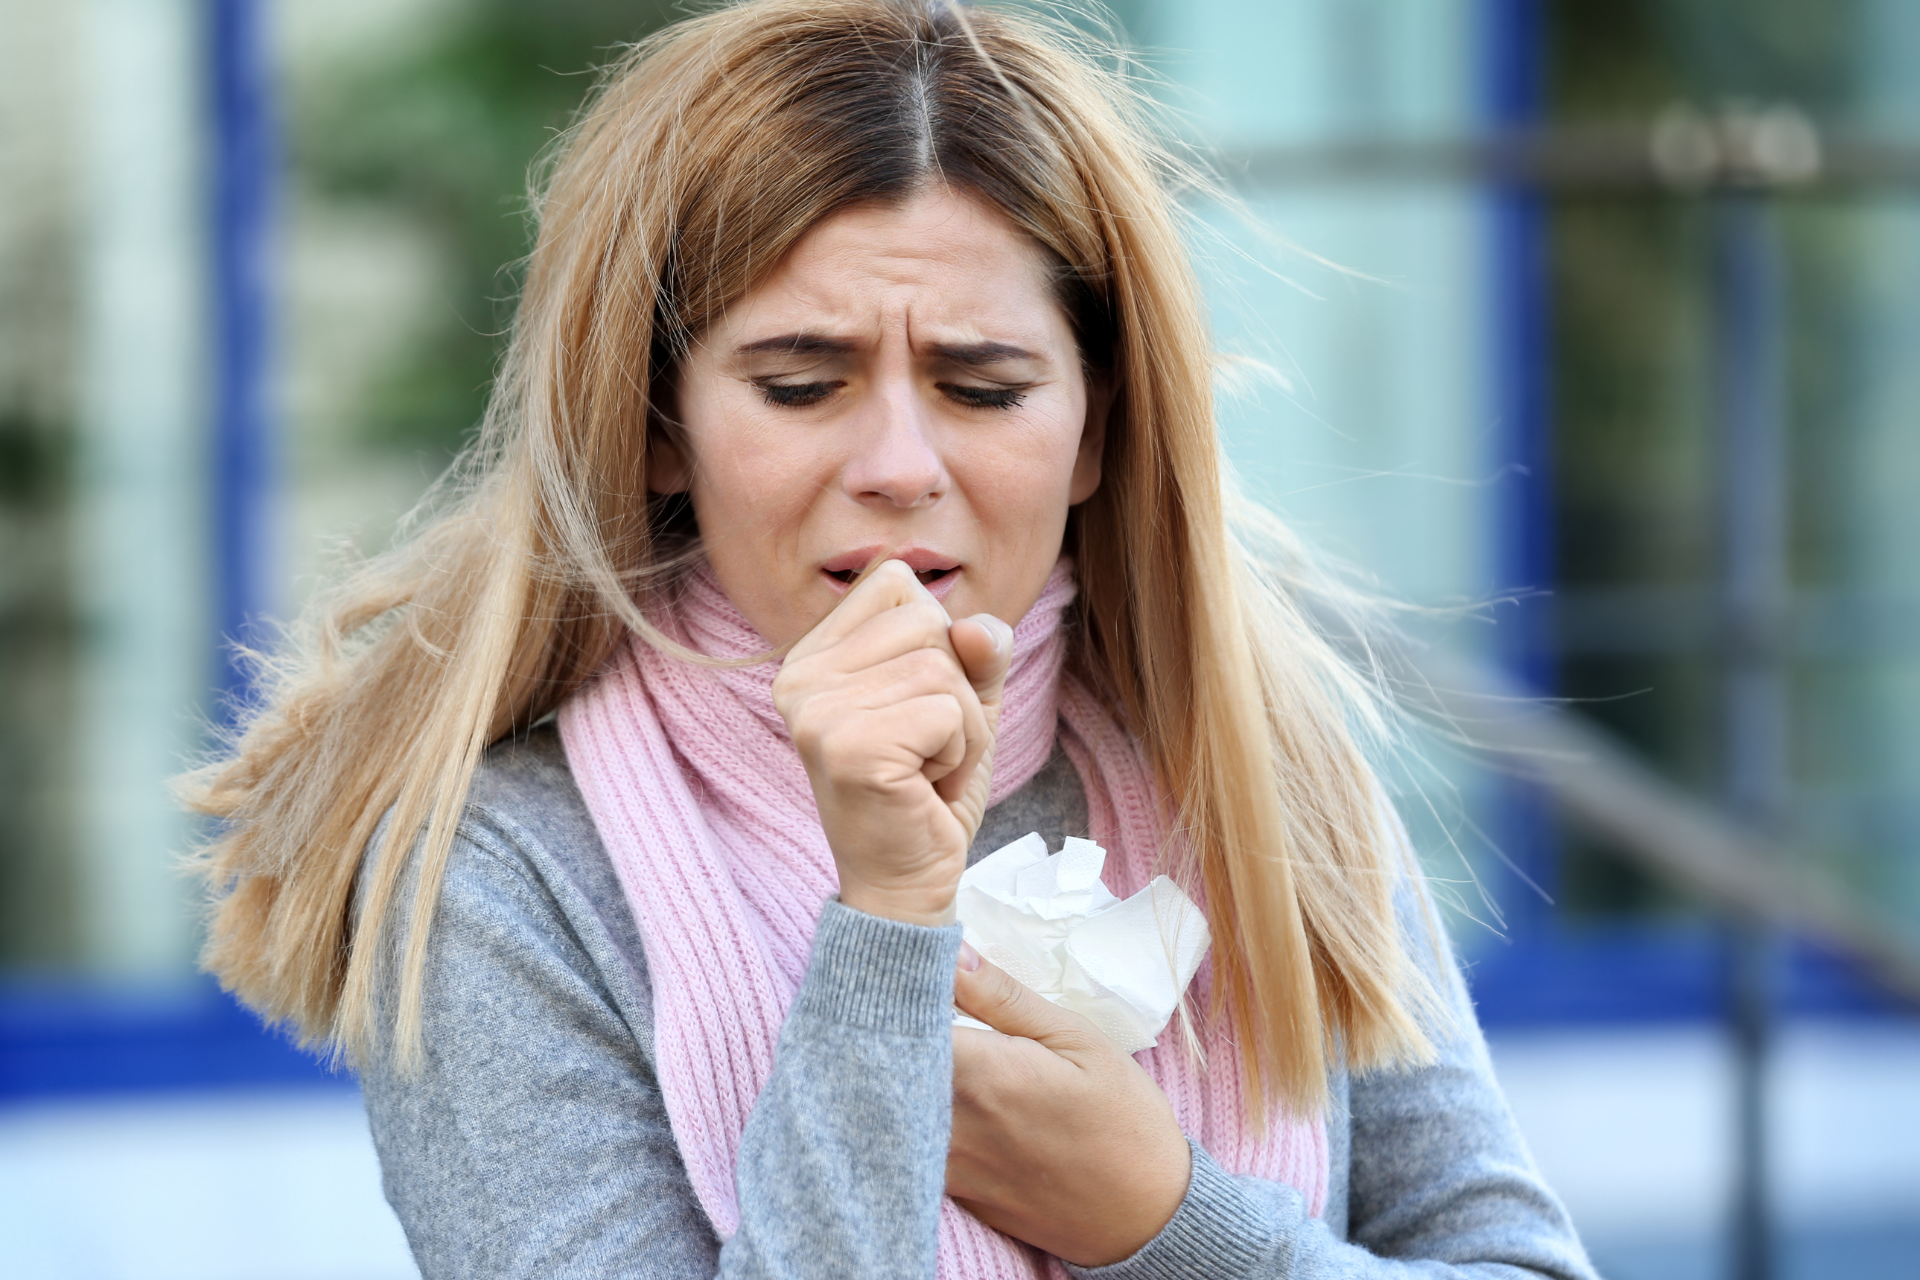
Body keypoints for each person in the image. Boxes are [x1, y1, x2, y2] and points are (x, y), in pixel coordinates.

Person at [187, 2, 1598, 1277]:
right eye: (803, 386)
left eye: (983, 389)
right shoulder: (498, 869)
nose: (901, 464)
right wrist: (886, 916)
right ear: (659, 428)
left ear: (1097, 430)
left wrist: (1164, 1223)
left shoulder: (1257, 766)